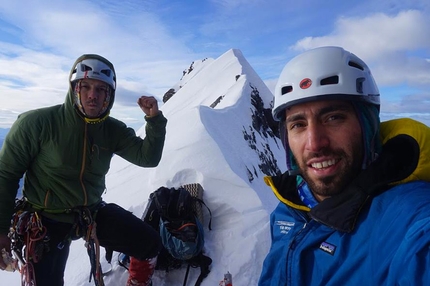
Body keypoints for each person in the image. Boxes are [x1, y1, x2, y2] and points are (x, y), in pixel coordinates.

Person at [259, 46, 430, 285]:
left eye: (333, 118)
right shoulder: (288, 210)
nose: (315, 144)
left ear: (368, 127)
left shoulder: (409, 220)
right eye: (298, 124)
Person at [0, 54, 168, 286]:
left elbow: (147, 157)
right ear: (74, 89)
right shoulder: (37, 124)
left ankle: (138, 282)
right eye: (86, 86)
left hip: (89, 214)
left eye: (101, 89)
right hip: (45, 219)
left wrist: (154, 120)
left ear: (109, 95)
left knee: (148, 243)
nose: (93, 95)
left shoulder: (111, 130)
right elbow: (6, 176)